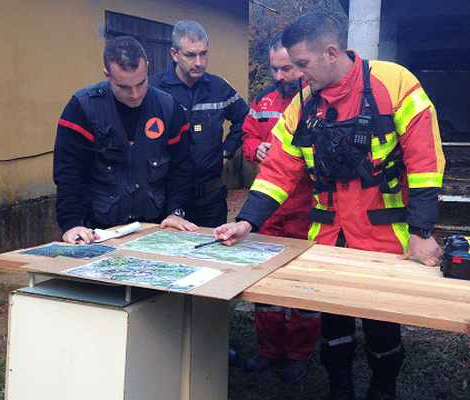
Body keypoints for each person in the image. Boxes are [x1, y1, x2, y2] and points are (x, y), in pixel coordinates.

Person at [214, 12, 445, 400]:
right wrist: (247, 222)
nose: (297, 75)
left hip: (385, 239)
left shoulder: (396, 84)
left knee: (382, 327)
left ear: (332, 53)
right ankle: (339, 388)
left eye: (303, 64)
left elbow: (426, 162)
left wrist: (421, 233)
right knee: (333, 325)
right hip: (326, 239)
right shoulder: (303, 104)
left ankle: (383, 387)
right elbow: (278, 169)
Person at [53, 36, 198, 244]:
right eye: (123, 87)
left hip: (155, 226)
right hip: (98, 230)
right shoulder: (82, 108)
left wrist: (176, 212)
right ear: (107, 75)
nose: (134, 94)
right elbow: (69, 171)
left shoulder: (169, 108)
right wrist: (71, 223)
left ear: (147, 68)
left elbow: (181, 167)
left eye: (141, 83)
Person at [241, 33, 320, 383]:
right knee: (265, 286)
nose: (280, 75)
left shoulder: (316, 103)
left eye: (287, 68)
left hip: (307, 210)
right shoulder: (262, 102)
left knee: (305, 289)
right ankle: (269, 349)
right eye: (274, 68)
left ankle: (299, 354)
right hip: (268, 209)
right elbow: (247, 135)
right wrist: (255, 147)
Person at [150, 20, 249, 229]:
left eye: (203, 53)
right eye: (190, 55)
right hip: (167, 200)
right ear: (174, 54)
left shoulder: (219, 87)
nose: (199, 62)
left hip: (211, 200)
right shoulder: (154, 90)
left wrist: (226, 152)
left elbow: (245, 118)